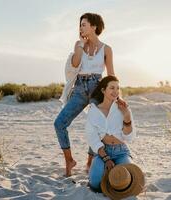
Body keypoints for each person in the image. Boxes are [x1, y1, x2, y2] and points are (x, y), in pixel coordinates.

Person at [54, 13, 125, 177]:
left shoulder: (106, 49)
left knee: (96, 125)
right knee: (59, 123)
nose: (81, 28)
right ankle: (69, 160)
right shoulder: (79, 45)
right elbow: (75, 63)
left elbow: (111, 74)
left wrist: (116, 95)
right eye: (80, 25)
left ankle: (90, 161)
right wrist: (80, 45)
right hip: (79, 89)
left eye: (84, 24)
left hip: (97, 88)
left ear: (94, 26)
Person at [85, 75, 136, 193]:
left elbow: (129, 136)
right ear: (103, 90)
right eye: (112, 88)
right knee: (95, 182)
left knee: (128, 178)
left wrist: (126, 116)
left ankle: (111, 179)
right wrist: (106, 158)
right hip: (103, 151)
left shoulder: (123, 108)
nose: (116, 91)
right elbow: (92, 138)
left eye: (118, 88)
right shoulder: (94, 111)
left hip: (121, 151)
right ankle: (104, 176)